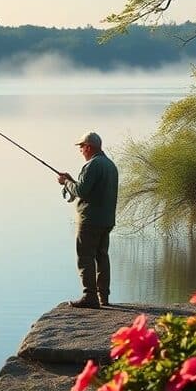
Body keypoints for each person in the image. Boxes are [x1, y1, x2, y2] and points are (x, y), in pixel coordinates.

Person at [57, 132, 119, 309]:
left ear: (89, 147)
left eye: (82, 147)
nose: (81, 151)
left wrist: (66, 182)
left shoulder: (92, 165)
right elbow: (90, 188)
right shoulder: (110, 165)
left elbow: (82, 191)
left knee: (85, 257)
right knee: (102, 256)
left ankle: (89, 296)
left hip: (90, 219)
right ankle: (103, 297)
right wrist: (71, 181)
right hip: (106, 219)